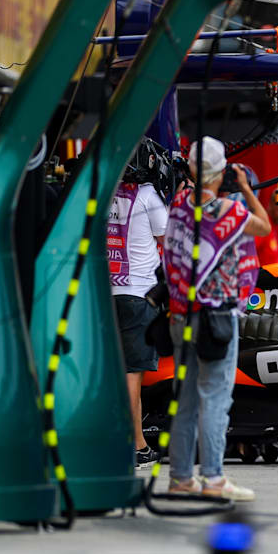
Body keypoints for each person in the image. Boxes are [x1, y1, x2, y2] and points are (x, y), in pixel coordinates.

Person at [163, 136, 272, 501]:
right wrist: (244, 187)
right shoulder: (228, 210)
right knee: (215, 398)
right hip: (216, 318)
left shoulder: (178, 204)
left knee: (186, 399)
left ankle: (180, 476)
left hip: (180, 315)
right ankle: (212, 478)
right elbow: (264, 226)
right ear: (221, 171)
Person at [108, 142, 169, 467]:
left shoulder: (104, 192)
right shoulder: (147, 196)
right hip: (139, 293)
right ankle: (136, 445)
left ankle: (126, 442)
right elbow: (170, 240)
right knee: (132, 376)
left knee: (117, 374)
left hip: (108, 294)